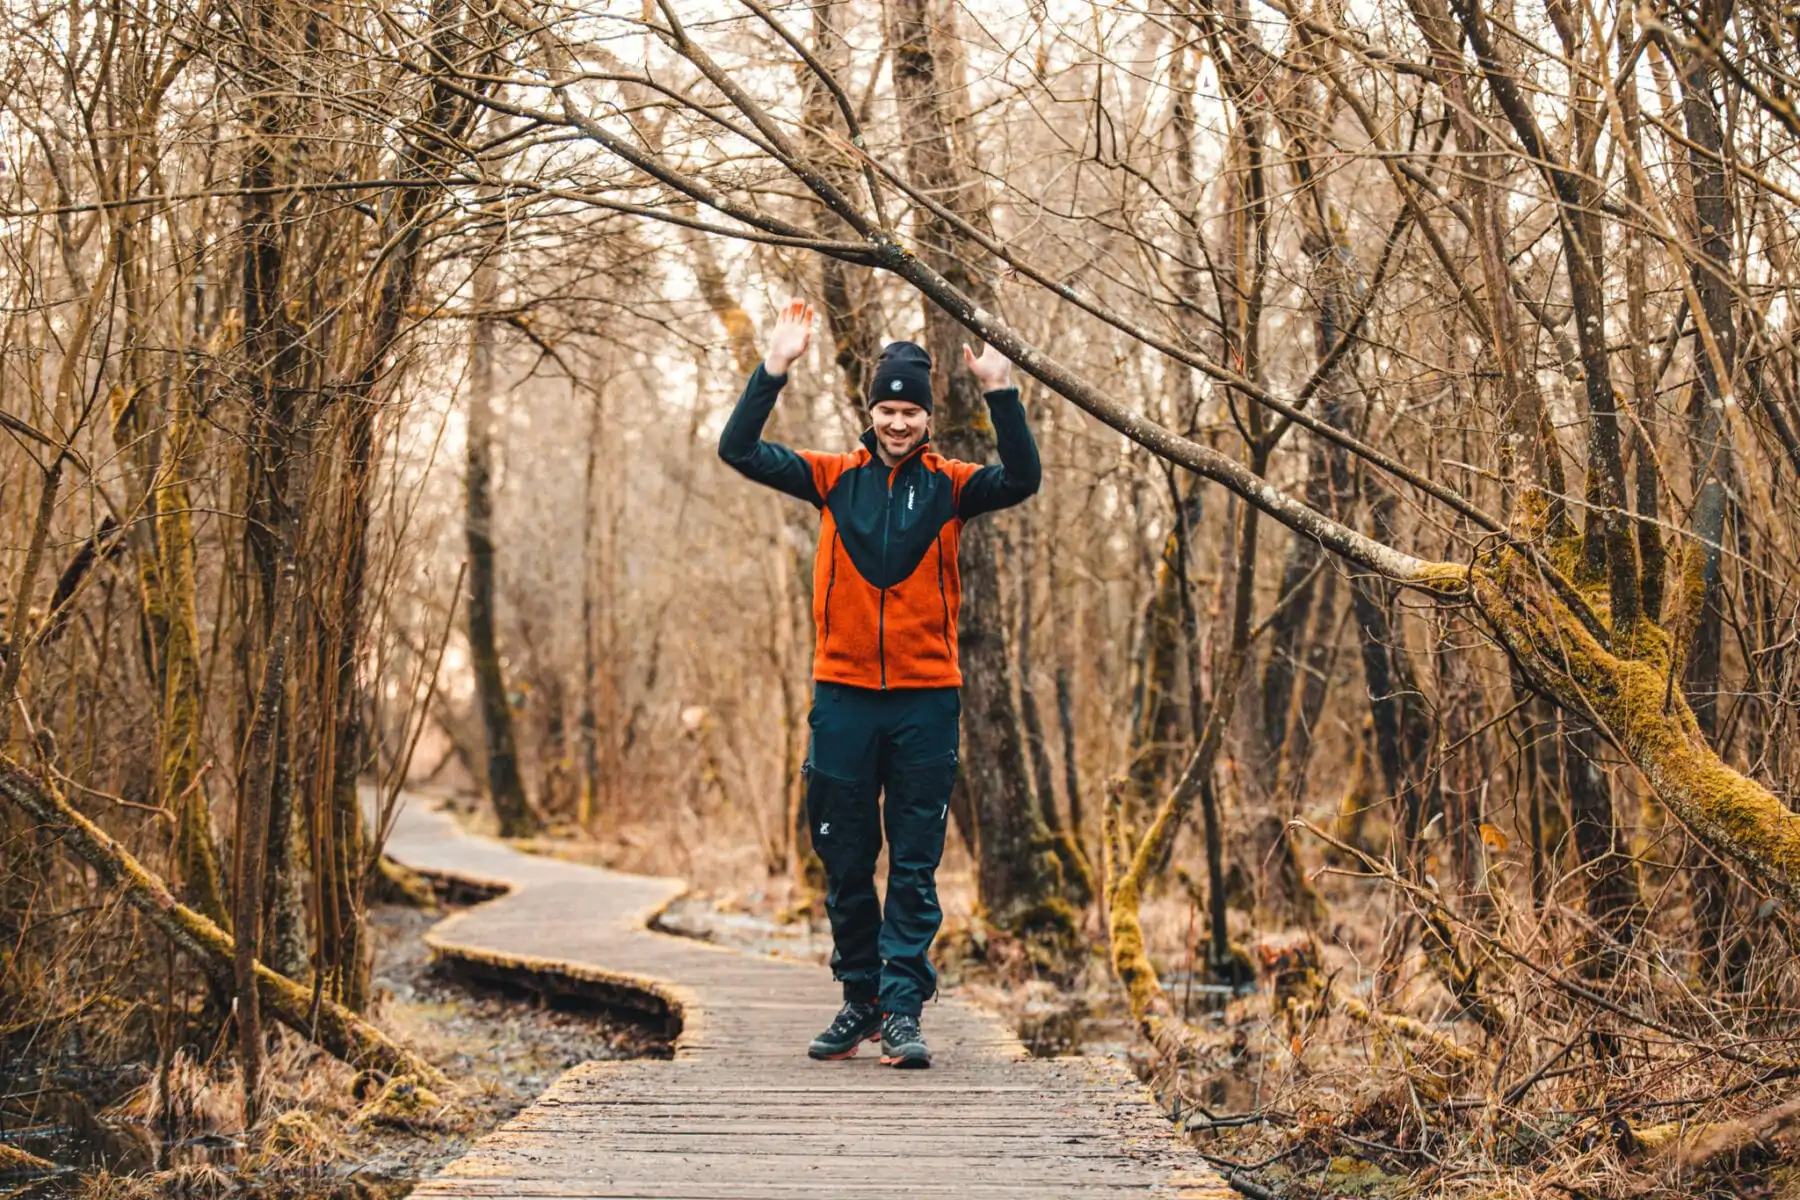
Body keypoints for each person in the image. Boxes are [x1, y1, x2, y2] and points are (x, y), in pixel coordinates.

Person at [717, 298, 1040, 1068]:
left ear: (928, 419)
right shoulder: (832, 479)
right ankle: (858, 1000)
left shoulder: (953, 488)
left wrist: (1001, 389)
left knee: (917, 862)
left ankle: (901, 1011)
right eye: (888, 409)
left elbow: (1023, 477)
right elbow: (737, 448)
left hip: (928, 702)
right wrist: (775, 368)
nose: (899, 423)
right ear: (871, 411)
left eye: (911, 412)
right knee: (846, 856)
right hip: (844, 698)